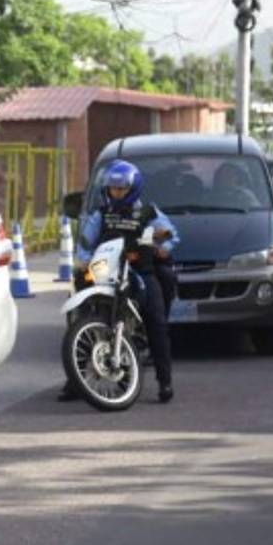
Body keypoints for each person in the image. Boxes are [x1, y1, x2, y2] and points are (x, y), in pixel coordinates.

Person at [58, 159, 179, 404]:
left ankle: (164, 381)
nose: (117, 192)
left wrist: (162, 247)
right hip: (106, 272)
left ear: (133, 188)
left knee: (156, 321)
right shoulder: (101, 214)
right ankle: (75, 381)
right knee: (82, 317)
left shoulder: (148, 212)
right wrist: (82, 261)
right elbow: (85, 244)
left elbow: (171, 234)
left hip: (140, 273)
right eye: (114, 188)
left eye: (122, 188)